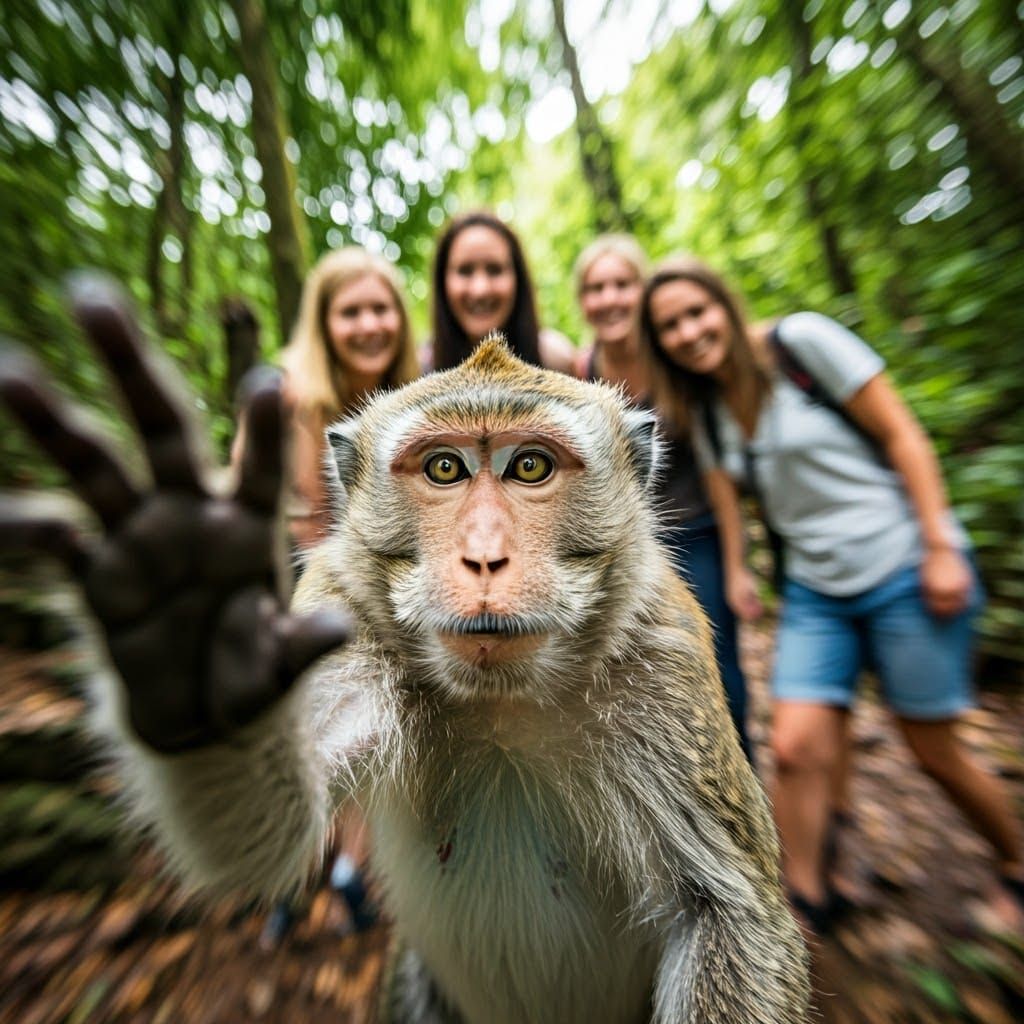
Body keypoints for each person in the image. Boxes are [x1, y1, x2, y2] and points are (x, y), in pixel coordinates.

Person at [638, 255, 1024, 935]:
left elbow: (903, 434)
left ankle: (1014, 860)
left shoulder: (803, 346)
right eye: (670, 326)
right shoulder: (709, 408)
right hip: (818, 591)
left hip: (904, 565)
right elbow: (730, 503)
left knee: (933, 751)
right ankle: (803, 906)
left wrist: (938, 542)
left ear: (723, 305)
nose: (689, 332)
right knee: (792, 747)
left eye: (696, 312)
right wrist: (737, 571)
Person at [259, 245, 419, 945]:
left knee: (373, 732)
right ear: (324, 323)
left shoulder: (409, 397)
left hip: (386, 582)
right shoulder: (299, 395)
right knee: (319, 735)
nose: (369, 325)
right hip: (316, 585)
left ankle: (352, 870)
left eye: (381, 309)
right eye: (351, 312)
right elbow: (301, 516)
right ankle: (297, 877)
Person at [573, 235, 752, 761]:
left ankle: (741, 782)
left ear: (642, 291)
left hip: (697, 536)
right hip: (626, 548)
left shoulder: (674, 360)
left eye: (622, 285)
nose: (610, 298)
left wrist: (739, 566)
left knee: (720, 670)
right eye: (596, 287)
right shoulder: (581, 374)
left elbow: (718, 472)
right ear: (583, 300)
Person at [429, 210, 576, 373]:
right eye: (465, 271)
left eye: (495, 270)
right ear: (442, 281)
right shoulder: (419, 368)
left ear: (518, 279)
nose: (480, 290)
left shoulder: (557, 360)